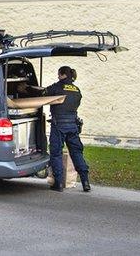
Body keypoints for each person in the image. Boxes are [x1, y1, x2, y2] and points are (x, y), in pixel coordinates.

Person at [33, 65, 91, 193]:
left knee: (56, 153)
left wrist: (26, 89)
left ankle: (58, 183)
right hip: (73, 126)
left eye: (59, 74)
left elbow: (43, 93)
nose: (57, 77)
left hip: (59, 125)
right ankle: (85, 182)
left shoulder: (58, 87)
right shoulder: (77, 90)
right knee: (77, 153)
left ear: (63, 74)